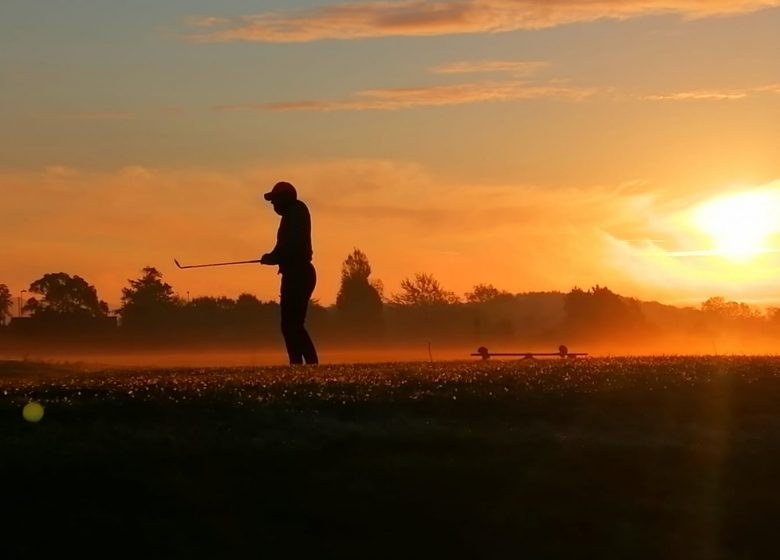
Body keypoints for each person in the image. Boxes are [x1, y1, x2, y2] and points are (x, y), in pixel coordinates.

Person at [260, 181, 319, 365]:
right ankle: (301, 364)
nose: (273, 205)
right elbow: (285, 246)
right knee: (292, 324)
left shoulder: (295, 213)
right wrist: (273, 256)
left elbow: (290, 246)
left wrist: (272, 257)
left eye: (275, 200)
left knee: (292, 324)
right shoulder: (294, 213)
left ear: (285, 199)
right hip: (296, 273)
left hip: (298, 273)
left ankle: (305, 363)